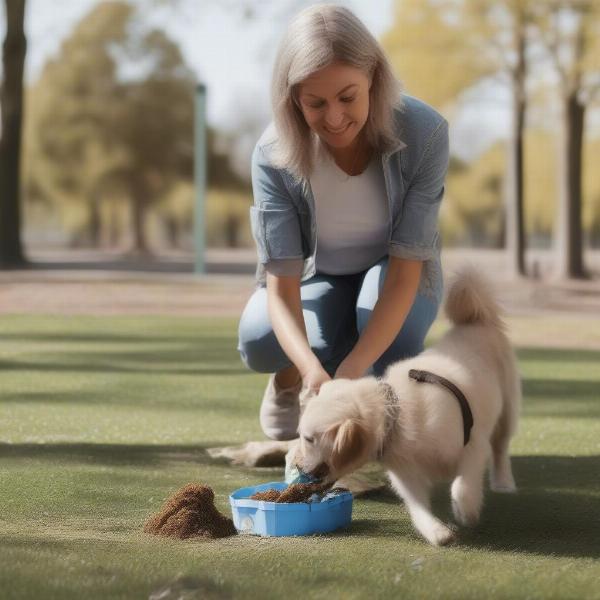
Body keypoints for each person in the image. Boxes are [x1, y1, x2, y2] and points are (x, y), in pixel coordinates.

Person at [237, 4, 449, 441]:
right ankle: (287, 379)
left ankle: (372, 409)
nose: (334, 118)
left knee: (390, 341)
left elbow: (407, 268)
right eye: (315, 103)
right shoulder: (272, 153)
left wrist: (352, 371)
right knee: (259, 340)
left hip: (394, 272)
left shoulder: (425, 133)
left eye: (347, 97)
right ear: (294, 98)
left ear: (373, 75)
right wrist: (311, 371)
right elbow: (281, 284)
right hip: (319, 276)